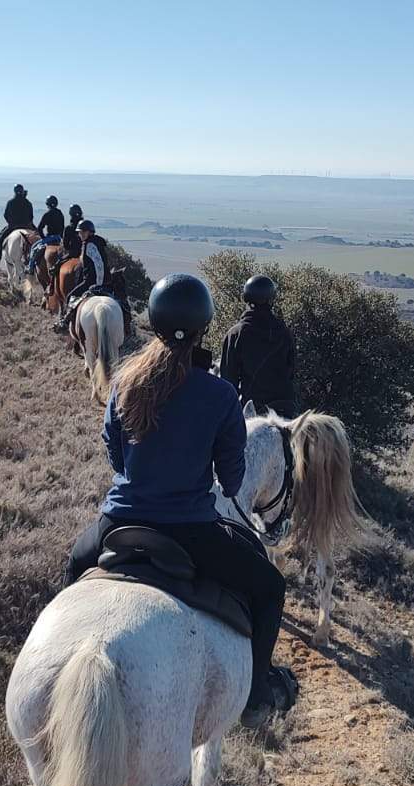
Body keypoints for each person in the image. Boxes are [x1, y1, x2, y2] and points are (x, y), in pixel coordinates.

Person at [63, 274, 295, 727]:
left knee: (74, 564)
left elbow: (114, 454)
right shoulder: (220, 395)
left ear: (152, 323)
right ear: (205, 326)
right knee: (270, 588)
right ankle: (255, 693)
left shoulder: (123, 382)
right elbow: (231, 481)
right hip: (190, 533)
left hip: (117, 524)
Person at [219, 275, 298, 415]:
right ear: (271, 299)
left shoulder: (236, 334)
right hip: (285, 408)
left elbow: (228, 379)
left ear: (246, 298)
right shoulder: (285, 332)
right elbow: (291, 371)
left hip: (253, 410)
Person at [53, 219, 113, 333]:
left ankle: (65, 322)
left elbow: (98, 265)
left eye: (83, 232)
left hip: (91, 282)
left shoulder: (89, 245)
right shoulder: (97, 242)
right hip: (106, 282)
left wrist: (97, 285)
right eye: (80, 232)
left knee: (70, 296)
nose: (80, 234)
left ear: (90, 232)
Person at [0, 184, 34, 262]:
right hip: (27, 226)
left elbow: (6, 215)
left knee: (1, 240)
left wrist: (11, 223)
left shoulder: (10, 202)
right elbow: (31, 216)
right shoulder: (28, 203)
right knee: (38, 238)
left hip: (13, 226)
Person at [26, 195, 65, 274]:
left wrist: (43, 238)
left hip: (50, 237)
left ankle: (30, 267)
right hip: (59, 238)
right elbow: (62, 227)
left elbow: (40, 228)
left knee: (34, 248)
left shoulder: (47, 214)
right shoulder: (60, 213)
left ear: (47, 204)